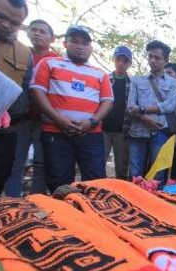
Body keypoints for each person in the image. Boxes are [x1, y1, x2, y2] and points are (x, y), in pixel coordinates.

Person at [30, 25, 114, 192]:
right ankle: (64, 215)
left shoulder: (100, 73)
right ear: (65, 43)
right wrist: (59, 120)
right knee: (59, 181)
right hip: (56, 132)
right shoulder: (50, 63)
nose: (80, 46)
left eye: (84, 43)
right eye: (74, 41)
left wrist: (91, 121)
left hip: (91, 134)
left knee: (96, 181)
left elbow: (108, 101)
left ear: (90, 48)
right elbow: (37, 92)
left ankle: (92, 215)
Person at [4, 19, 58, 197]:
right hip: (19, 117)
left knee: (41, 163)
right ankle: (14, 201)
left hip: (46, 119)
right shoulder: (18, 53)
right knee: (15, 162)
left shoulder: (57, 61)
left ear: (52, 38)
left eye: (43, 31)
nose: (37, 34)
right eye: (34, 30)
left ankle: (37, 202)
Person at [0, 0, 30, 196]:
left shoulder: (24, 52)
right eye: (0, 16)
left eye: (14, 22)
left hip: (3, 133)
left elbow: (26, 92)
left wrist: (5, 113)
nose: (5, 24)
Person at [127, 40, 176, 184]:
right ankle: (133, 202)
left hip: (160, 132)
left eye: (157, 57)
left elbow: (169, 106)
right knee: (134, 172)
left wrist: (142, 110)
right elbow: (130, 106)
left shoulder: (173, 83)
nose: (152, 60)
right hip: (137, 132)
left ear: (166, 60)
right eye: (150, 56)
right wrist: (145, 119)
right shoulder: (137, 80)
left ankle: (155, 203)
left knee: (158, 173)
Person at [102, 46, 132, 180]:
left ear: (129, 64)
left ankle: (120, 194)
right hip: (103, 128)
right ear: (114, 60)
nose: (121, 63)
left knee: (121, 167)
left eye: (125, 61)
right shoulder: (105, 79)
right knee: (98, 163)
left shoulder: (132, 83)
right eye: (118, 59)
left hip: (122, 130)